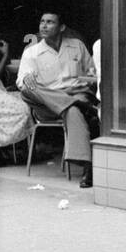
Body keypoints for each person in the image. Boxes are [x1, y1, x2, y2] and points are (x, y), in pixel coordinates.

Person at [16, 10, 98, 188]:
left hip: (77, 93)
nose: (44, 26)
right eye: (42, 22)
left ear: (61, 27)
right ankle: (75, 104)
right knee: (27, 89)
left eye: (50, 22)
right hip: (48, 104)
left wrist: (85, 85)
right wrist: (35, 85)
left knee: (72, 110)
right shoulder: (32, 52)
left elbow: (92, 74)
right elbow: (23, 82)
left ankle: (87, 166)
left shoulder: (77, 45)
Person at [0, 11, 35, 166]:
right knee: (22, 108)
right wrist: (5, 55)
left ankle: (16, 150)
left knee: (25, 98)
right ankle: (8, 148)